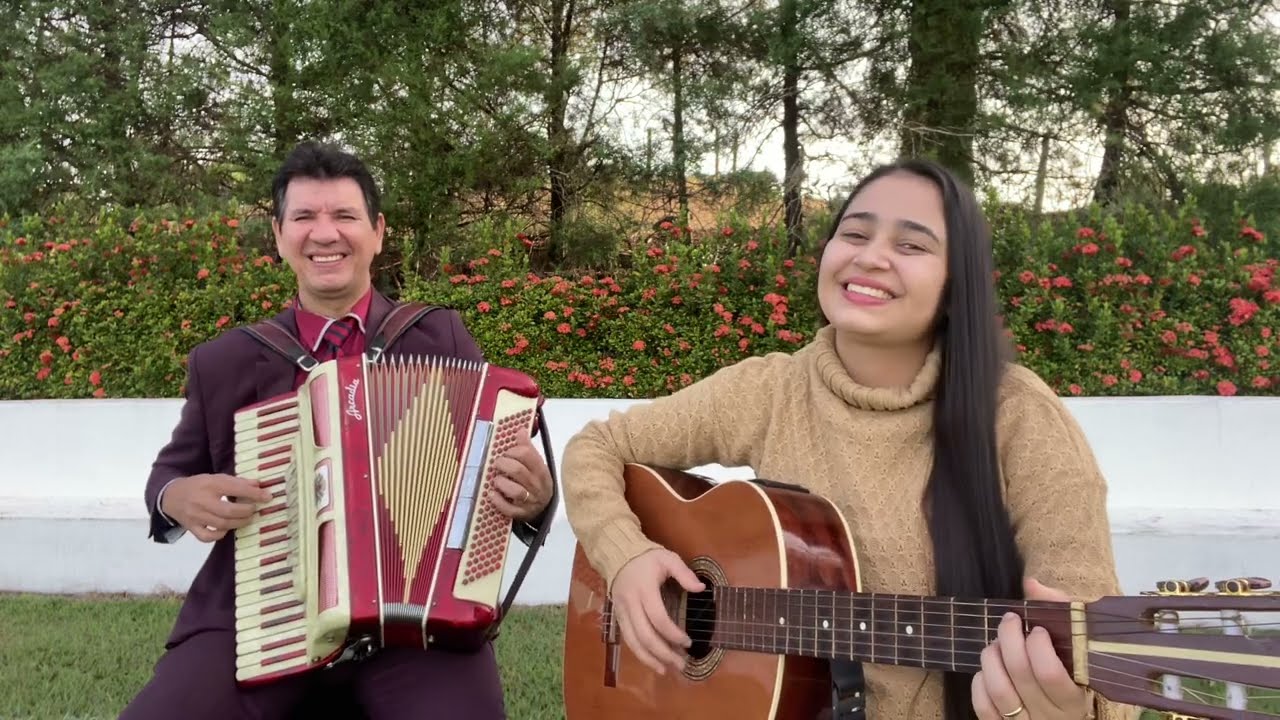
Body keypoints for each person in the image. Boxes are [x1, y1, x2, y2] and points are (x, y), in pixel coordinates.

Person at [560, 158, 1138, 720]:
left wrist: (1068, 709)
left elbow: (1099, 667)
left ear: (955, 282)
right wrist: (628, 558)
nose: (870, 257)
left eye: (911, 245)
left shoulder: (1020, 418)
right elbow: (597, 447)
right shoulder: (768, 390)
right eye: (854, 233)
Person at [120, 141, 555, 720]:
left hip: (415, 626)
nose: (325, 234)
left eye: (344, 216)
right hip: (260, 614)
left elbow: (498, 464)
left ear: (377, 232)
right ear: (279, 235)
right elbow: (170, 476)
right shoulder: (224, 361)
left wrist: (533, 495)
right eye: (304, 217)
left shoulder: (439, 338)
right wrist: (176, 497)